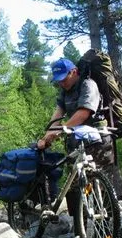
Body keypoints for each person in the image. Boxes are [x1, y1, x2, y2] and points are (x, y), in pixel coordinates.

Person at [37, 58, 114, 215]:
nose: (61, 83)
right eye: (58, 80)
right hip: (76, 142)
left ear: (73, 72)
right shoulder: (64, 92)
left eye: (63, 79)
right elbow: (57, 115)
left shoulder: (88, 85)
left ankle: (109, 227)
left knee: (98, 182)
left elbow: (84, 112)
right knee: (74, 183)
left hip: (97, 141)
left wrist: (61, 130)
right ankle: (79, 230)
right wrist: (46, 137)